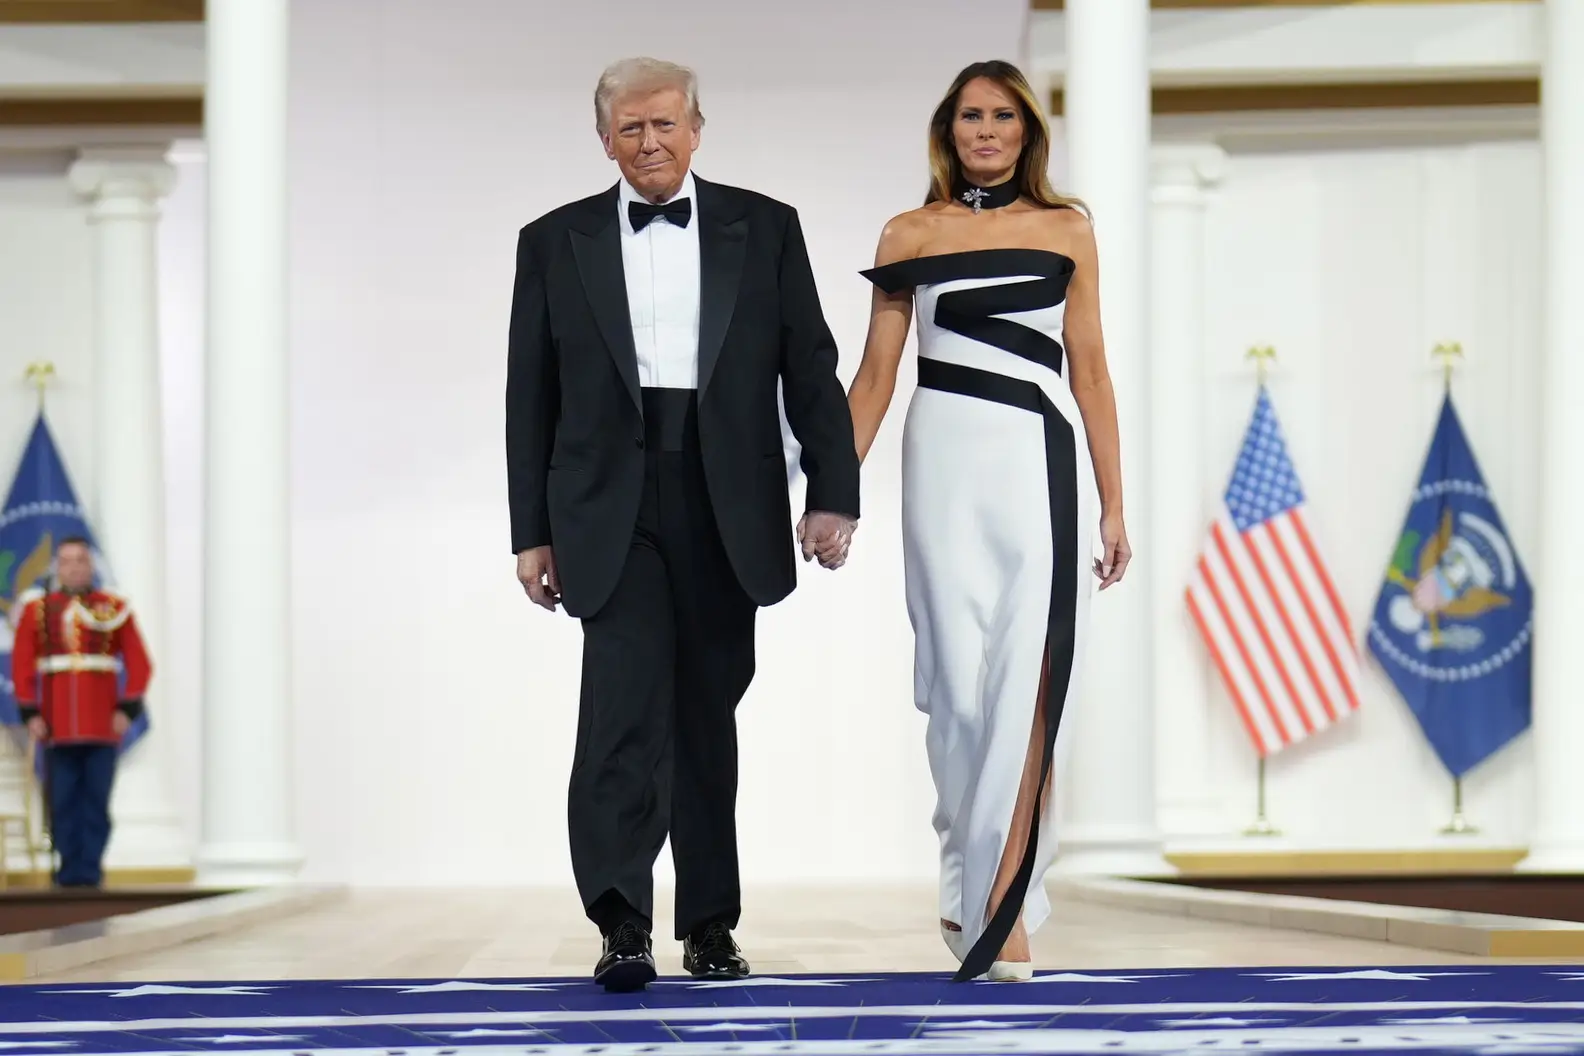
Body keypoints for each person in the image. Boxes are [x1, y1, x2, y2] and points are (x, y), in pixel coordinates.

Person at [506, 56, 861, 992]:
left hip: (724, 498)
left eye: (665, 124)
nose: (650, 142)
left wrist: (833, 490)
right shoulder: (552, 240)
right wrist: (529, 531)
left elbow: (810, 369)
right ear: (604, 138)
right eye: (630, 128)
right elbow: (527, 397)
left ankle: (709, 926)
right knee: (621, 715)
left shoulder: (767, 227)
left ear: (698, 128)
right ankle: (622, 922)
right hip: (605, 509)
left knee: (706, 719)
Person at [848, 60, 1131, 983]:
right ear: (949, 128)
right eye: (971, 115)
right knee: (959, 697)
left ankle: (1003, 910)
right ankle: (967, 871)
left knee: (1026, 685)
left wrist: (1115, 501)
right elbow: (876, 379)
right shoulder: (908, 232)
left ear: (1026, 131)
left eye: (1002, 115)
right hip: (941, 472)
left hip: (1038, 469)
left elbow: (1090, 368)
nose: (985, 130)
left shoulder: (1068, 230)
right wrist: (831, 490)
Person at [8, 537, 151, 889]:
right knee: (62, 801)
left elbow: (140, 664)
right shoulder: (37, 610)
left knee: (96, 802)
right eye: (66, 561)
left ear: (91, 566)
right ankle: (67, 873)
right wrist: (31, 713)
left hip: (101, 725)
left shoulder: (113, 607)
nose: (74, 567)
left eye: (80, 561)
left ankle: (89, 873)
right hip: (57, 725)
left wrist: (127, 708)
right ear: (57, 567)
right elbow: (22, 664)